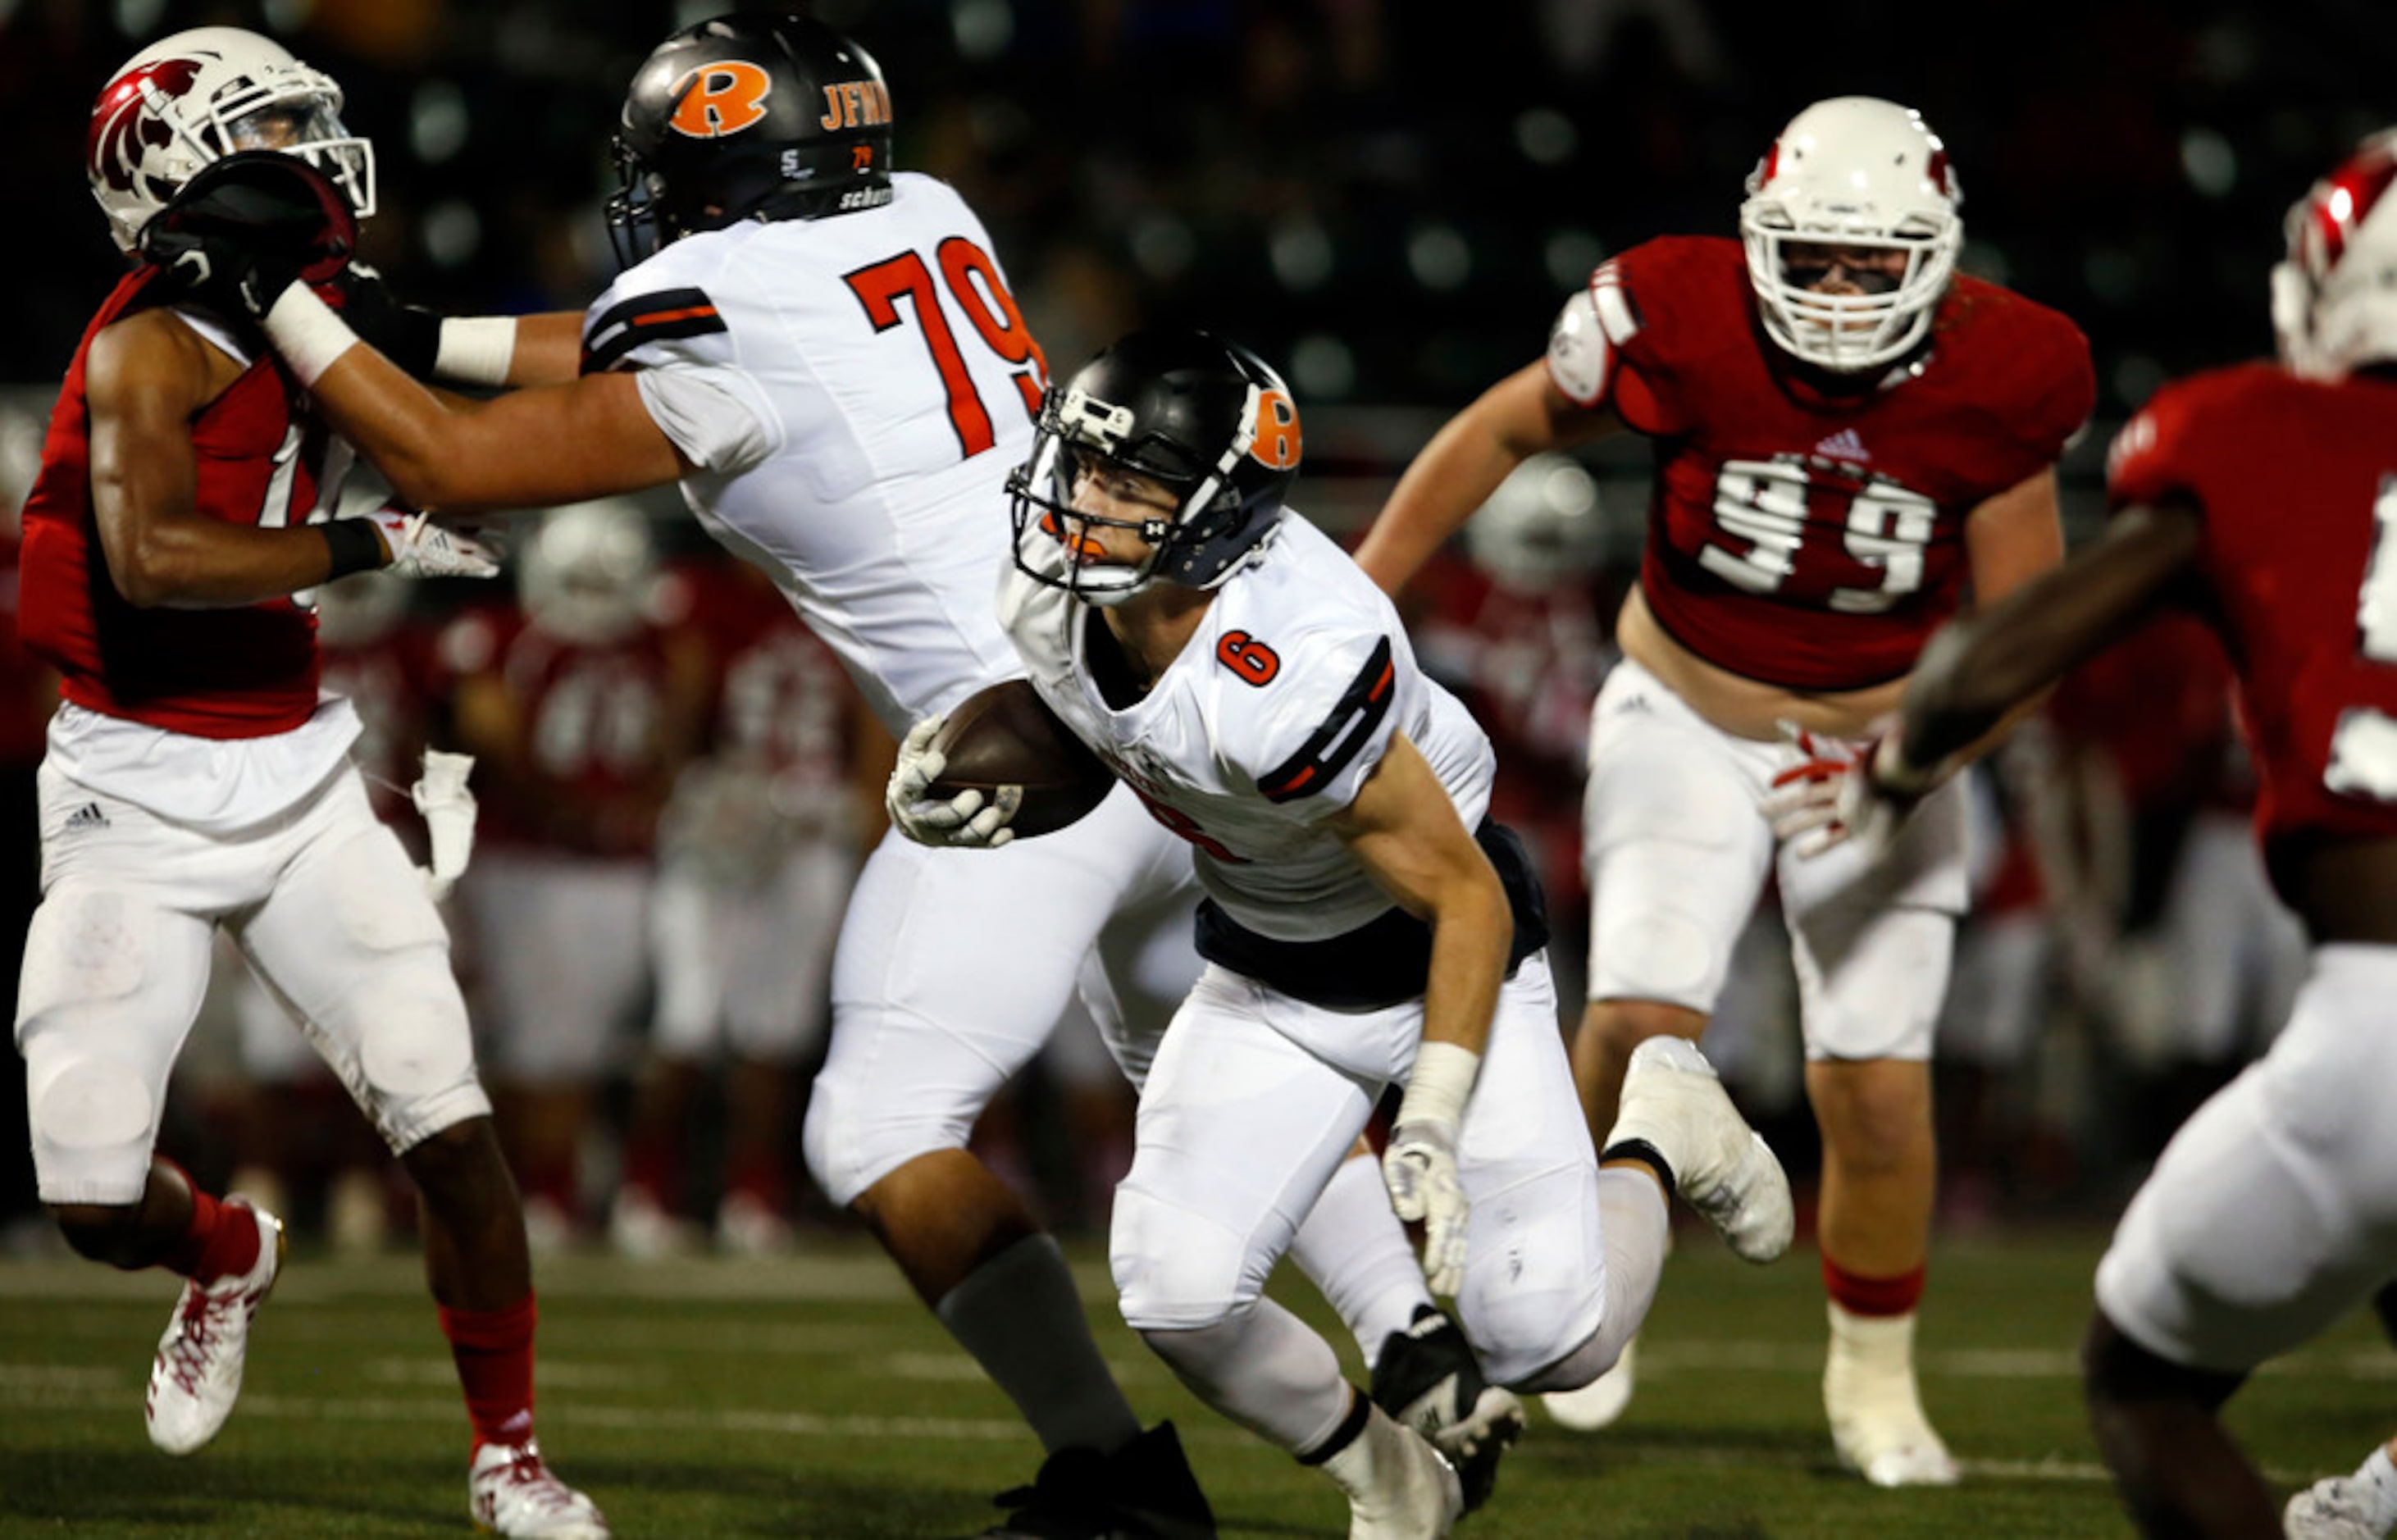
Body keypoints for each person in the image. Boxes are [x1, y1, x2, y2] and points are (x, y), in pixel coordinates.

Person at [152, 13, 1521, 1530]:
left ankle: (1142, 1472)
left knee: (875, 1127)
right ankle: (1414, 1343)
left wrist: (277, 292)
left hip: (1032, 749)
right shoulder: (925, 212)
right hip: (1166, 716)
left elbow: (457, 466)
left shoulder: (719, 311)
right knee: (1206, 1043)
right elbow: (644, 345)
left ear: (719, 175)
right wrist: (411, 329)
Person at [894, 326, 1794, 1536]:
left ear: (1219, 513)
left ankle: (1659, 1128)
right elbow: (1101, 722)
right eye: (1082, 464)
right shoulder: (1050, 588)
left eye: (1131, 481)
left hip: (1435, 961)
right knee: (1175, 1290)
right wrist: (959, 758)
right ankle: (1395, 1481)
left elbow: (1464, 895)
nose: (1084, 502)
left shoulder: (1295, 660)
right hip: (1267, 965)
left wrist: (1428, 1105)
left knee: (1548, 1339)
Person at [1351, 93, 2094, 1481]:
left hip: (1887, 746)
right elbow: (1496, 431)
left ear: (1935, 257)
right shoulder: (1677, 311)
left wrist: (1909, 765)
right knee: (1633, 1016)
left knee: (1872, 1086)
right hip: (1686, 705)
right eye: (1807, 255)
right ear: (1757, 240)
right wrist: (1362, 595)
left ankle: (1873, 1377)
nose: (1833, 290)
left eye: (1870, 263)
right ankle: (1577, 1286)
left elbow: (2025, 638)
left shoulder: (2009, 370)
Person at [1761, 127, 2397, 1539]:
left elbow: (1979, 667)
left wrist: (1887, 779)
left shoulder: (2252, 429)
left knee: (2141, 1381)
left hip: (2383, 1021)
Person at [20, 26, 606, 1538]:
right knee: (89, 1198)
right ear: (182, 165)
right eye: (277, 124)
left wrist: (659, 331)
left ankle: (512, 1457)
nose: (316, 149)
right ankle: (224, 1250)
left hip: (294, 780)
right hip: (130, 795)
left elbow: (467, 353)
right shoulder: (152, 338)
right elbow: (149, 564)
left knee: (450, 1128)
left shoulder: (303, 308)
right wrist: (371, 547)